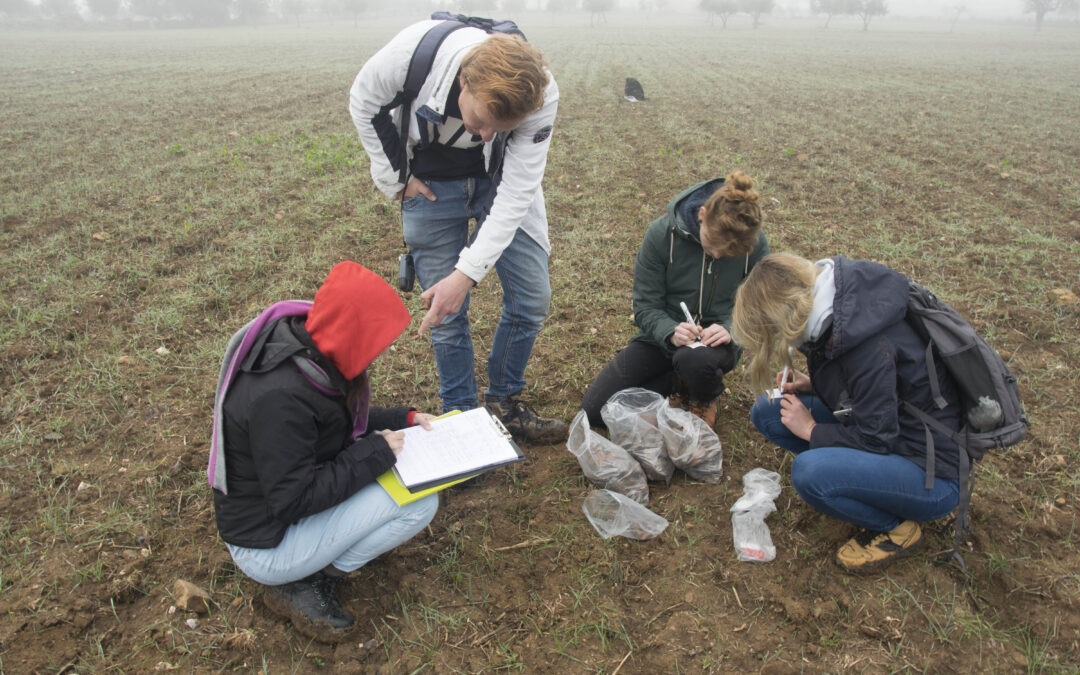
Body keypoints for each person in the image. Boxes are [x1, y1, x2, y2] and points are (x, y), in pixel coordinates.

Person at [349, 18, 566, 444]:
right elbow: (363, 102)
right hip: (429, 183)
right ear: (464, 81)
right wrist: (397, 178)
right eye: (481, 120)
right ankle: (462, 420)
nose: (486, 135)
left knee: (532, 298)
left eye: (498, 130)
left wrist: (464, 277)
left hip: (497, 179)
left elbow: (515, 194)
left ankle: (504, 403)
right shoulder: (408, 57)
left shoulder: (540, 94)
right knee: (445, 316)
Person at [209, 261, 439, 642]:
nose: (378, 352)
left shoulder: (309, 350)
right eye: (375, 340)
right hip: (266, 544)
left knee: (406, 487)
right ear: (352, 334)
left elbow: (335, 425)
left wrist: (405, 417)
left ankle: (315, 560)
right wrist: (374, 453)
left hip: (274, 515)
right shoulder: (280, 399)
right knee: (418, 504)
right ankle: (301, 577)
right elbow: (292, 499)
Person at [731, 253, 963, 574]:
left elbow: (877, 438)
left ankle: (895, 527)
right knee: (769, 412)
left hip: (932, 474)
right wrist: (812, 385)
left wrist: (811, 430)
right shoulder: (833, 315)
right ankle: (849, 481)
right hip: (897, 435)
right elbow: (880, 394)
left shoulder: (865, 343)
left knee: (809, 472)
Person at [580, 171, 769, 428]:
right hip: (661, 339)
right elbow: (646, 306)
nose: (717, 255)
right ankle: (680, 380)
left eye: (729, 252)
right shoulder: (661, 234)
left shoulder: (752, 242)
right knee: (595, 410)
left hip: (713, 347)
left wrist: (730, 327)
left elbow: (760, 305)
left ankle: (703, 396)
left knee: (695, 361)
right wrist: (669, 331)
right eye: (712, 245)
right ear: (702, 215)